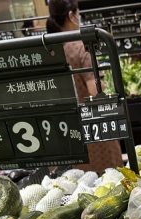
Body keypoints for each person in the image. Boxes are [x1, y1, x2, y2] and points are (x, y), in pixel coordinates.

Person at [47, 0, 123, 172]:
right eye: (78, 13)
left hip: (66, 128)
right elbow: (95, 91)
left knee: (80, 184)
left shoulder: (51, 50)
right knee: (110, 182)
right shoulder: (81, 47)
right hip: (94, 127)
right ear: (71, 16)